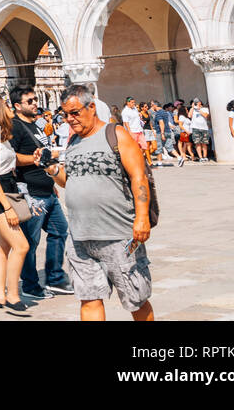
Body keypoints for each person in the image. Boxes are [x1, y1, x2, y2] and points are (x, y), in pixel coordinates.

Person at [49, 86, 155, 321]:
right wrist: (53, 169)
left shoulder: (116, 134)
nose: (70, 119)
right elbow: (69, 180)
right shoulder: (73, 141)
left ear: (92, 107)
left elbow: (139, 176)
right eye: (65, 114)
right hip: (79, 236)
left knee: (135, 299)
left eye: (75, 112)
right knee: (88, 299)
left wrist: (142, 218)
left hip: (119, 235)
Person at [10, 87, 71, 300]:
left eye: (35, 99)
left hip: (48, 189)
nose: (35, 103)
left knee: (60, 231)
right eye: (30, 101)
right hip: (32, 193)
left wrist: (53, 178)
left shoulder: (35, 125)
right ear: (18, 106)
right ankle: (30, 284)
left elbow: (44, 155)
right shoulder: (14, 127)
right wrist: (34, 159)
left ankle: (54, 278)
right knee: (30, 241)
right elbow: (11, 158)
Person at [0, 96, 33, 316]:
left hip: (7, 189)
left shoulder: (2, 136)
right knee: (22, 246)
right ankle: (12, 295)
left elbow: (12, 159)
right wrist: (8, 208)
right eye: (7, 106)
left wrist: (34, 158)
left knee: (3, 248)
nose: (10, 109)